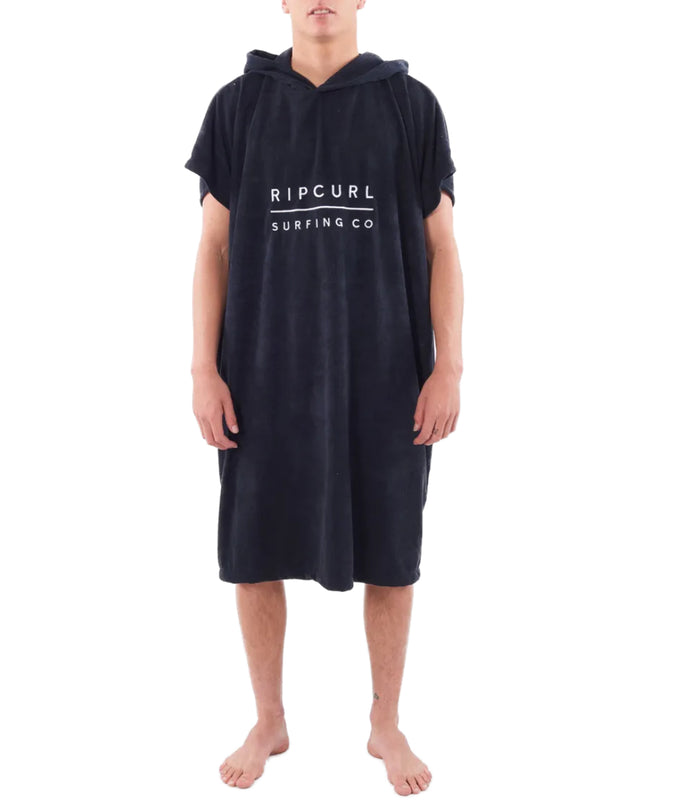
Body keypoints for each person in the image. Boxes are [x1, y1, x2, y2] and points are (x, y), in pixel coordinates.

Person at [185, 0, 463, 793]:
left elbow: (444, 246)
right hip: (261, 375)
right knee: (253, 554)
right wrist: (203, 370)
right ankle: (269, 719)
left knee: (392, 559)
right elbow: (213, 247)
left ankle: (385, 724)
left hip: (387, 375)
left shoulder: (410, 106)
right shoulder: (238, 106)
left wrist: (449, 366)